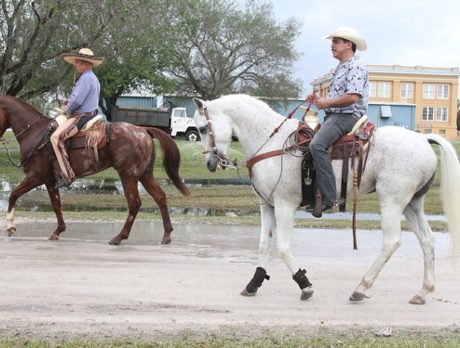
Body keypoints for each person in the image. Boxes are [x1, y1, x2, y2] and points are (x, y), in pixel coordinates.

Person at [306, 26, 369, 212]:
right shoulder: (340, 68)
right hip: (336, 114)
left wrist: (326, 104)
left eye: (335, 42)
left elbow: (353, 97)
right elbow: (336, 98)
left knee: (316, 145)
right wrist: (320, 100)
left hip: (347, 116)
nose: (331, 45)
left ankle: (329, 197)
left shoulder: (355, 66)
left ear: (348, 44)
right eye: (332, 42)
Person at [51, 48, 104, 188]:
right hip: (89, 113)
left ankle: (67, 174)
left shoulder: (86, 78)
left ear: (86, 64)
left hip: (82, 117)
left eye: (78, 63)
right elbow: (80, 99)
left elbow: (77, 102)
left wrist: (66, 110)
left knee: (55, 138)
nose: (75, 66)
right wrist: (70, 102)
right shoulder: (92, 78)